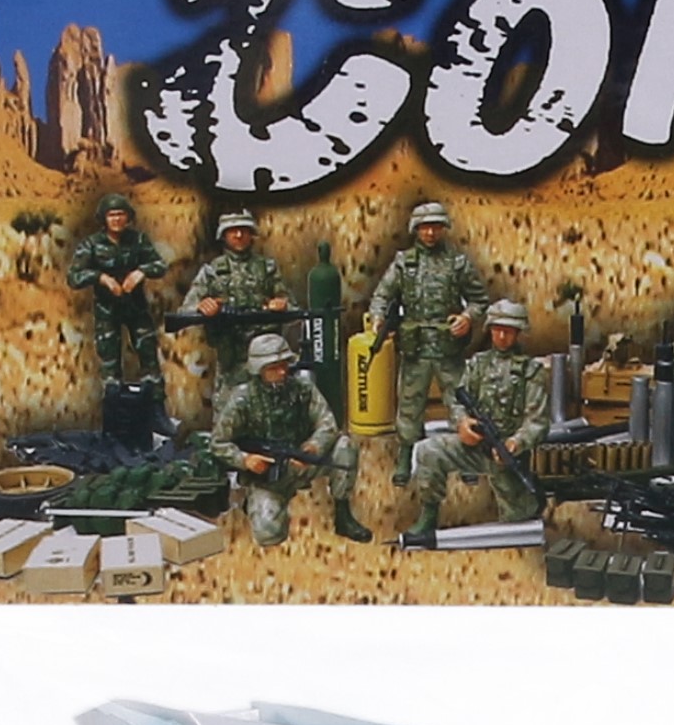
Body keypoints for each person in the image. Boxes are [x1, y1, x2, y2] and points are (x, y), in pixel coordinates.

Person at [399, 298, 545, 548]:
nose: (502, 337)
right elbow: (457, 400)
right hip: (475, 445)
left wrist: (515, 443)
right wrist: (462, 423)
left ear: (519, 332)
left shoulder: (531, 371)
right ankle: (428, 515)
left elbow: (537, 422)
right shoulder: (478, 364)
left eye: (509, 331)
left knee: (518, 524)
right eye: (497, 330)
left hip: (506, 453)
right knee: (428, 451)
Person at [360, 202, 492, 466]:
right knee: (410, 403)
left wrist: (467, 318)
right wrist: (378, 318)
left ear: (444, 228)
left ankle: (465, 451)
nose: (430, 233)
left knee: (460, 400)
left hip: (448, 346)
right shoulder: (403, 263)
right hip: (416, 347)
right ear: (416, 229)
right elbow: (382, 295)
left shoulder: (457, 263)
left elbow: (480, 300)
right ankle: (406, 453)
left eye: (435, 227)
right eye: (425, 227)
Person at [213, 330, 347, 548]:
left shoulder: (302, 388)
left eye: (284, 364)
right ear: (259, 369)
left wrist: (313, 446)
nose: (283, 371)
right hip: (265, 476)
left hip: (299, 462)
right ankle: (261, 505)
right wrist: (245, 460)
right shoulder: (242, 399)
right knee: (269, 535)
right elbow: (218, 442)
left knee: (345, 448)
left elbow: (328, 424)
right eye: (274, 368)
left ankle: (343, 512)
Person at [176, 208, 288, 419]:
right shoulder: (212, 271)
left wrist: (281, 305)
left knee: (269, 414)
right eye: (232, 231)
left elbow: (291, 305)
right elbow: (185, 310)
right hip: (230, 357)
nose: (238, 235)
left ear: (251, 234)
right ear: (223, 235)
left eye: (244, 230)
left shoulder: (267, 268)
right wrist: (203, 307)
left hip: (266, 356)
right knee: (228, 417)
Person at [66, 196, 169, 390]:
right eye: (111, 215)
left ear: (128, 217)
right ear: (104, 218)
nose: (116, 219)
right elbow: (73, 277)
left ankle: (153, 401)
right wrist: (101, 278)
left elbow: (160, 265)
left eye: (121, 214)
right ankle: (114, 401)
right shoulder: (92, 244)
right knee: (110, 365)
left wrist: (141, 272)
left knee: (149, 357)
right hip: (107, 311)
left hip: (136, 308)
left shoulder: (138, 240)